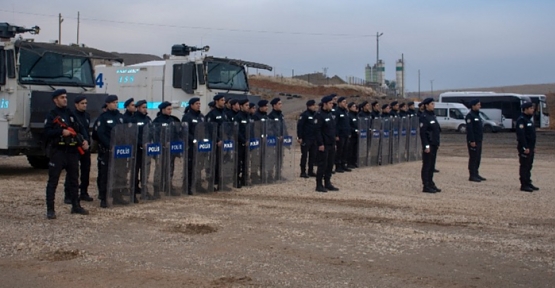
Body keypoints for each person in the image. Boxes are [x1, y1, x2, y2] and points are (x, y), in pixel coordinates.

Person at [43, 89, 90, 219]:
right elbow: (46, 132)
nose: (65, 99)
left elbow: (80, 128)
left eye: (65, 97)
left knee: (74, 180)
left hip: (72, 152)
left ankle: (76, 206)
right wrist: (61, 132)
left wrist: (84, 140)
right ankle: (50, 209)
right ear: (55, 100)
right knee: (53, 181)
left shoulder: (70, 113)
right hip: (58, 151)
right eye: (62, 97)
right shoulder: (52, 115)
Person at [95, 95, 125, 207]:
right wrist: (110, 145)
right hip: (108, 151)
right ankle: (104, 198)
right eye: (113, 102)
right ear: (107, 104)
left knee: (120, 174)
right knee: (106, 175)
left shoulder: (120, 117)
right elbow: (100, 134)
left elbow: (125, 132)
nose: (115, 104)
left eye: (116, 102)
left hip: (120, 151)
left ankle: (118, 196)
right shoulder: (103, 117)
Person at [64, 95, 93, 204]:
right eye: (82, 103)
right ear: (76, 105)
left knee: (86, 170)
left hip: (85, 146)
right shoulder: (72, 116)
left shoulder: (87, 116)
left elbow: (85, 130)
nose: (84, 105)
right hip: (75, 146)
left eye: (86, 103)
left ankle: (84, 192)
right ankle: (68, 194)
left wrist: (87, 142)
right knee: (72, 171)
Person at [152, 101, 181, 195]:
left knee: (170, 167)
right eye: (168, 109)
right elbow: (154, 135)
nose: (170, 111)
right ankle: (157, 187)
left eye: (171, 109)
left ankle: (168, 185)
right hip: (161, 149)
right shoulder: (157, 121)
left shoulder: (172, 120)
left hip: (171, 149)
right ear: (163, 109)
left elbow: (176, 134)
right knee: (159, 168)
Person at [314, 95, 339, 192]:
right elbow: (317, 131)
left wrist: (334, 142)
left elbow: (332, 129)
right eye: (330, 103)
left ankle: (327, 183)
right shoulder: (319, 115)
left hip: (331, 143)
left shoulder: (330, 114)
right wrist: (320, 144)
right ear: (325, 104)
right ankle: (319, 184)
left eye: (332, 103)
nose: (332, 105)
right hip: (323, 144)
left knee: (330, 164)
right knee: (322, 164)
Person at [205, 94, 230, 190]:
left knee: (222, 163)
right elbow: (210, 129)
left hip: (224, 141)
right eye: (222, 100)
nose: (224, 102)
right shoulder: (212, 114)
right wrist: (217, 140)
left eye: (224, 100)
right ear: (216, 101)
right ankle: (212, 184)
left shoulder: (224, 113)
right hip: (216, 143)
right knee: (213, 164)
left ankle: (220, 183)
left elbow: (227, 126)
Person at [131, 99, 152, 201]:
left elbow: (152, 132)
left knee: (145, 170)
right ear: (138, 108)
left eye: (146, 107)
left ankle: (144, 189)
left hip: (147, 149)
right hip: (137, 149)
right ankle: (134, 189)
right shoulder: (134, 119)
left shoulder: (148, 119)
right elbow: (134, 134)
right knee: (135, 170)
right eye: (143, 107)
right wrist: (141, 143)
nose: (145, 109)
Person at [182, 97, 204, 194]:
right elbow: (185, 131)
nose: (198, 105)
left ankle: (198, 184)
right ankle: (188, 187)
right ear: (191, 105)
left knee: (199, 166)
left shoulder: (201, 116)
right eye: (196, 104)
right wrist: (194, 141)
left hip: (201, 145)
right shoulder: (187, 117)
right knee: (190, 166)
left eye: (199, 103)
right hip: (191, 146)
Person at [419, 98, 441, 193]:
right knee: (427, 165)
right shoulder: (424, 117)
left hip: (434, 144)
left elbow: (436, 130)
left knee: (432, 165)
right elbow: (423, 133)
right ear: (426, 105)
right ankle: (426, 185)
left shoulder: (432, 116)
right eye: (432, 104)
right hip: (429, 145)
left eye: (433, 104)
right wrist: (426, 146)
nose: (433, 105)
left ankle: (431, 183)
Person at [516, 102, 538, 192]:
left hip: (530, 147)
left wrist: (533, 147)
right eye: (531, 108)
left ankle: (528, 182)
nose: (532, 110)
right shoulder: (521, 120)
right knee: (524, 166)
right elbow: (521, 135)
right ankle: (524, 184)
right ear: (525, 109)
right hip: (524, 147)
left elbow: (532, 135)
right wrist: (525, 147)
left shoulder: (529, 120)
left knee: (529, 165)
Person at [297, 100, 319, 178]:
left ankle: (310, 171)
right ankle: (303, 172)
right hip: (306, 138)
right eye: (313, 105)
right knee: (304, 155)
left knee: (313, 155)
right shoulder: (304, 115)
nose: (314, 107)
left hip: (314, 138)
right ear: (309, 106)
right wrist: (300, 137)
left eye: (315, 105)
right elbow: (300, 126)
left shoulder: (316, 115)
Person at [465, 99, 485, 182]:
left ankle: (476, 173)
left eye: (480, 105)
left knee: (478, 157)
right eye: (478, 105)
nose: (479, 106)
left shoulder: (477, 115)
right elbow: (470, 130)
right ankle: (472, 175)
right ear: (473, 106)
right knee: (473, 158)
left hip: (479, 140)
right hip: (473, 141)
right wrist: (472, 141)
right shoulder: (470, 116)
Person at [268, 97, 287, 181]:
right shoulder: (271, 116)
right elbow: (269, 129)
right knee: (272, 158)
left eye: (281, 104)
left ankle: (278, 174)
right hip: (274, 141)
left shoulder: (281, 115)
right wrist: (276, 137)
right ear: (274, 105)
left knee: (280, 158)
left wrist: (285, 136)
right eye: (279, 104)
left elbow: (284, 127)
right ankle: (270, 175)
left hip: (281, 141)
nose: (281, 105)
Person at [234, 99, 251, 187]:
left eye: (248, 105)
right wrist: (244, 140)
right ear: (241, 106)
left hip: (247, 143)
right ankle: (237, 180)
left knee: (246, 162)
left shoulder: (248, 116)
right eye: (246, 105)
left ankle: (244, 179)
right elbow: (237, 131)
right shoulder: (238, 117)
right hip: (240, 143)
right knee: (238, 163)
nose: (248, 107)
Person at [334, 97, 351, 173]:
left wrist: (349, 133)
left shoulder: (346, 112)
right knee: (339, 150)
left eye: (345, 102)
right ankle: (338, 166)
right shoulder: (337, 111)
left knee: (345, 150)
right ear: (339, 103)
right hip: (340, 135)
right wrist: (336, 135)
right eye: (343, 102)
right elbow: (335, 124)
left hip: (346, 134)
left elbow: (347, 124)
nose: (345, 103)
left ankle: (344, 164)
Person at [347, 102, 360, 168]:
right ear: (349, 108)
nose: (355, 108)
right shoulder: (349, 115)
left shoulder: (356, 115)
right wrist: (355, 130)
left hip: (356, 136)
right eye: (353, 107)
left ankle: (354, 162)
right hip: (351, 135)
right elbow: (349, 126)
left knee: (355, 149)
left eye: (355, 106)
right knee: (350, 150)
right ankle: (349, 163)